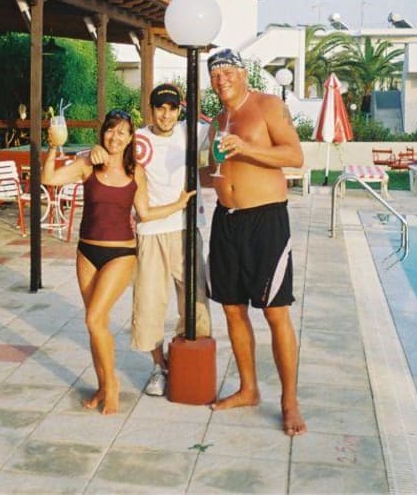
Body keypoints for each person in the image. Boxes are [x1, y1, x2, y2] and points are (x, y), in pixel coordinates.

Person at [42, 109, 193, 415]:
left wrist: (178, 204)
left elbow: (145, 214)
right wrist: (54, 146)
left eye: (122, 132)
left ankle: (112, 385)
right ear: (103, 134)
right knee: (96, 325)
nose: (115, 137)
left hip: (121, 253)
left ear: (130, 138)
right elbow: (49, 179)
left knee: (93, 319)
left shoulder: (135, 171)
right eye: (110, 130)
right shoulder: (88, 162)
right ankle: (102, 385)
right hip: (87, 251)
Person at [204, 48, 308, 437]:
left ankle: (289, 402)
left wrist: (246, 147)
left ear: (244, 74)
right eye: (215, 75)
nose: (222, 79)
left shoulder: (267, 106)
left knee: (275, 311)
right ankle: (248, 389)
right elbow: (210, 170)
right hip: (225, 220)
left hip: (265, 220)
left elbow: (294, 155)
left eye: (228, 72)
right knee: (232, 309)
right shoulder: (217, 121)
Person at [124, 83, 212, 397]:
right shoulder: (137, 139)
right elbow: (109, 147)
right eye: (160, 108)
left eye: (172, 108)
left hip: (188, 230)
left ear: (179, 110)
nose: (166, 115)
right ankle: (159, 367)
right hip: (150, 233)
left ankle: (184, 360)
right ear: (151, 109)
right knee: (149, 303)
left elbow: (224, 127)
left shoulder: (192, 132)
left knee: (196, 304)